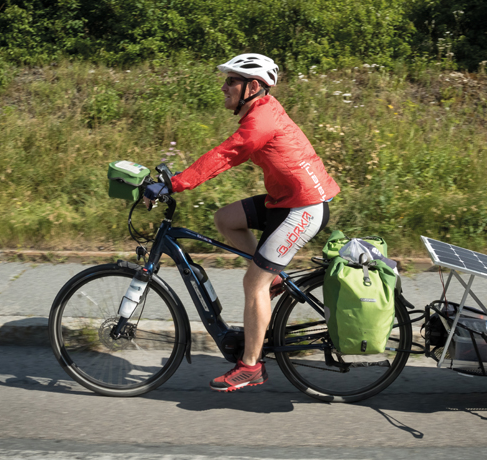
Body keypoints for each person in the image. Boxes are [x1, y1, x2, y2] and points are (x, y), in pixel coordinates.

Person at [143, 53, 341, 392]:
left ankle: (251, 366)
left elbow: (224, 155)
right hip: (285, 200)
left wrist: (174, 183)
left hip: (304, 207)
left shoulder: (261, 122)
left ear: (253, 87)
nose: (224, 87)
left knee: (253, 283)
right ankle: (273, 278)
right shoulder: (261, 112)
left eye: (231, 81)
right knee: (226, 219)